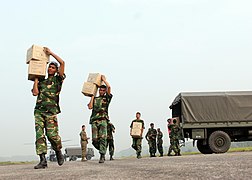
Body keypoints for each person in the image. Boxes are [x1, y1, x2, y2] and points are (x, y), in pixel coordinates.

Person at [32, 47, 65, 169]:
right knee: (39, 135)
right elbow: (35, 93)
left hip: (51, 112)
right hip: (39, 111)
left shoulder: (58, 80)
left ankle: (58, 151)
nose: (50, 69)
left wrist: (50, 53)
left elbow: (62, 63)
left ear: (56, 70)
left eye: (52, 67)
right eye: (49, 67)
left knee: (52, 136)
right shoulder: (42, 82)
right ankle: (42, 160)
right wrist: (36, 79)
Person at [88, 75, 112, 163]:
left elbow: (109, 87)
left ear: (105, 91)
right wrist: (92, 95)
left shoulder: (107, 98)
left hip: (103, 120)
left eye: (103, 90)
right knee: (94, 140)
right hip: (94, 120)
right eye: (100, 90)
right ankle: (103, 148)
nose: (101, 91)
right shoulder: (95, 99)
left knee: (103, 138)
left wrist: (104, 80)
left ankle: (102, 155)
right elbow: (90, 107)